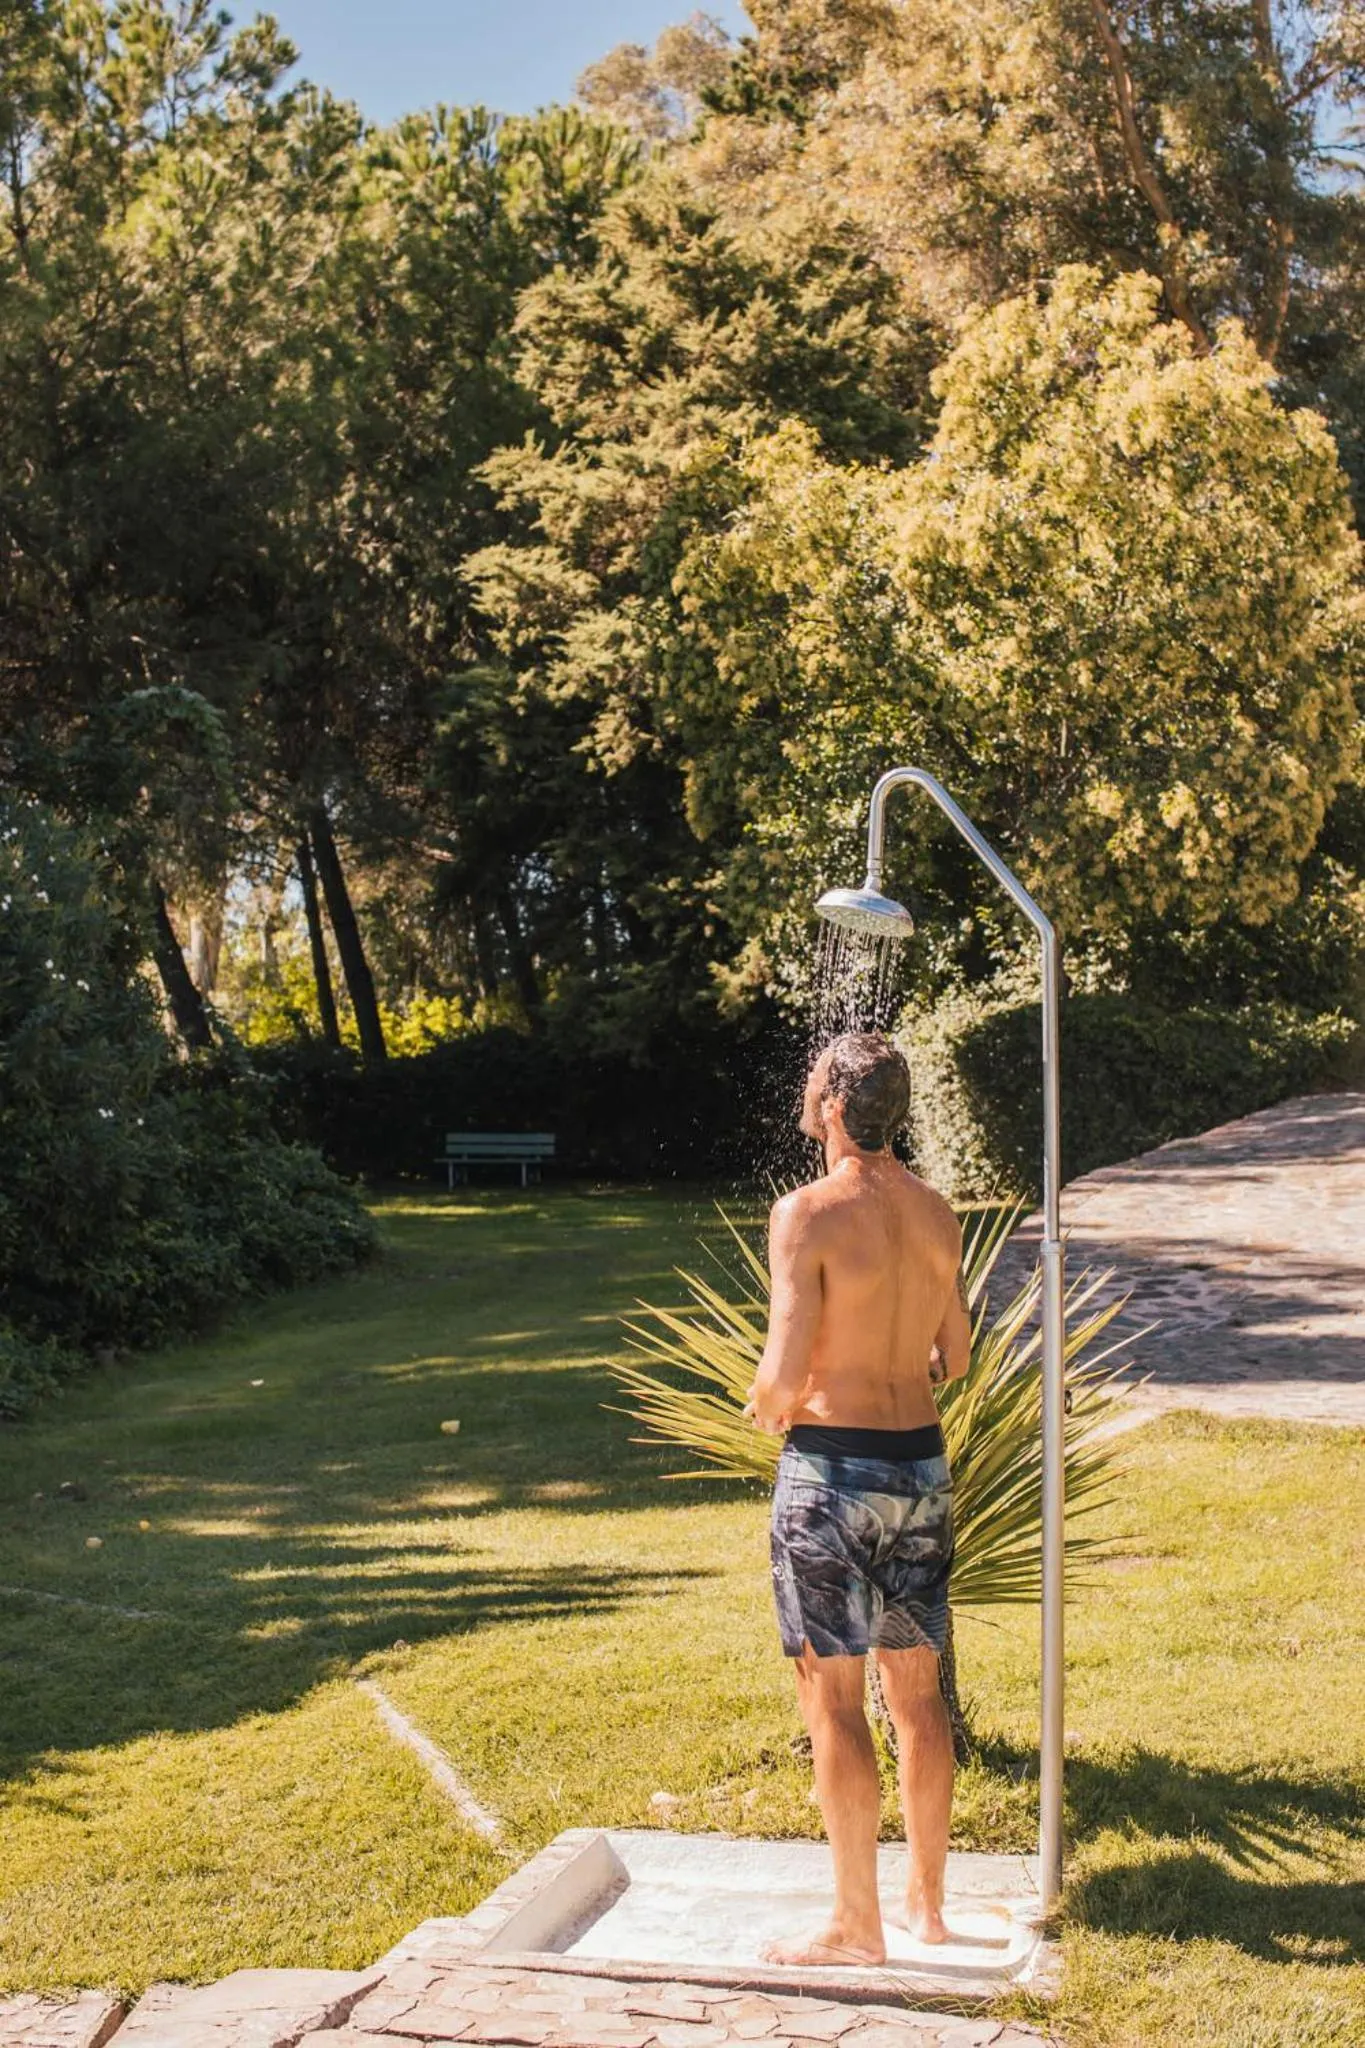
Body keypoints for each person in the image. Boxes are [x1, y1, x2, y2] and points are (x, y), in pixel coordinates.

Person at [744, 1031, 970, 1967]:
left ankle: (855, 1926)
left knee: (832, 1704)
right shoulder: (937, 1211)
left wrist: (767, 1406)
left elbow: (782, 1374)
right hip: (920, 1469)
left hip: (832, 1475)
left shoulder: (806, 1211)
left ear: (833, 1106)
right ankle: (925, 1907)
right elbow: (952, 1358)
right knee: (915, 1697)